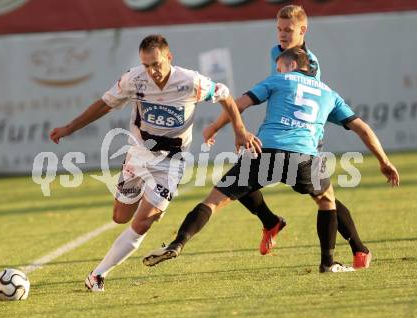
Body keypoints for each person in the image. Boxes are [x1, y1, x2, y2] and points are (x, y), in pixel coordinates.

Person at [143, 47, 399, 273]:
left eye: (280, 66)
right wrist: (384, 161)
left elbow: (239, 103)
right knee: (326, 199)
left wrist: (222, 128)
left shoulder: (278, 80)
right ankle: (328, 263)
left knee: (214, 200)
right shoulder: (329, 93)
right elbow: (362, 128)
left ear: (291, 65)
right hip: (303, 157)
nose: (278, 70)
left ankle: (178, 243)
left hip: (265, 151)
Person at [49, 34, 261, 292]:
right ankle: (140, 202)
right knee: (120, 217)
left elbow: (226, 96)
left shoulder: (190, 81)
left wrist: (240, 130)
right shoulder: (134, 79)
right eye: (147, 65)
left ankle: (97, 275)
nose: (152, 71)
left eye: (157, 64)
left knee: (142, 223)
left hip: (171, 163)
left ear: (169, 58)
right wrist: (70, 127)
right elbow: (105, 104)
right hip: (138, 156)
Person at [204, 4, 373, 270]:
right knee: (244, 179)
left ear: (303, 31)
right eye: (279, 29)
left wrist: (217, 125)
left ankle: (357, 248)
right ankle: (272, 222)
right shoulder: (278, 51)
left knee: (324, 197)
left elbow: (305, 100)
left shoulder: (310, 63)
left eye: (288, 30)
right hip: (279, 135)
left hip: (304, 136)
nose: (282, 35)